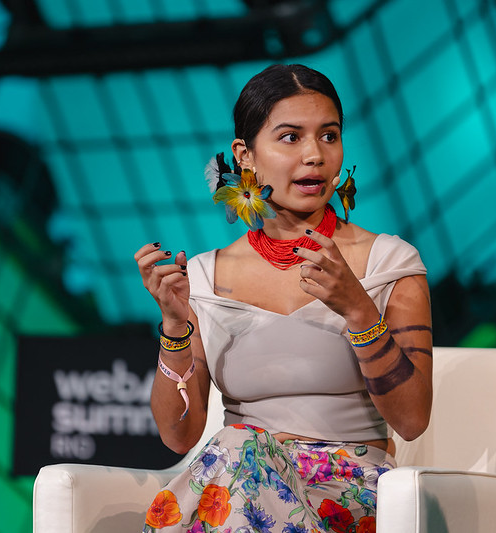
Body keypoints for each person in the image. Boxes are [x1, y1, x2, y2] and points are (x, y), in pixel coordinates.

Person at [134, 64, 432, 533]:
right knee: (237, 453)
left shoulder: (389, 263)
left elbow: (413, 419)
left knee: (234, 453)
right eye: (291, 137)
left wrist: (358, 310)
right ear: (245, 155)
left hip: (351, 496)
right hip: (236, 484)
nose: (314, 155)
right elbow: (179, 436)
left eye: (328, 136)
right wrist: (175, 328)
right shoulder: (204, 279)